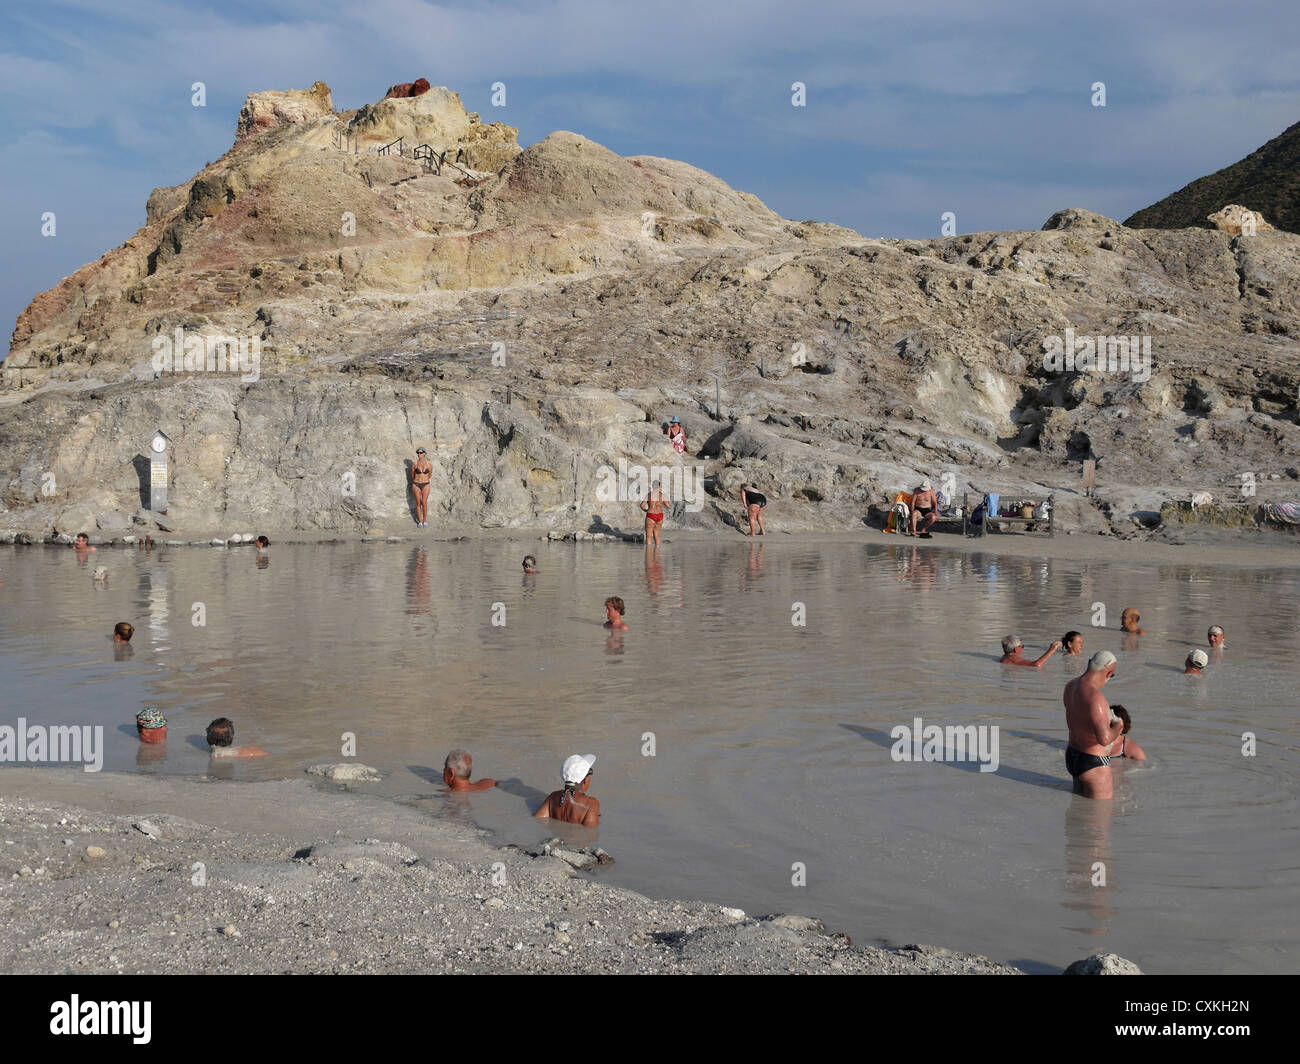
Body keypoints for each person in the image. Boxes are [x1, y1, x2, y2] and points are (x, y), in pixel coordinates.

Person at [1063, 650, 1125, 799]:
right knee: (1099, 817)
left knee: (1076, 814)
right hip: (1093, 761)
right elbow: (1104, 739)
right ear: (1109, 673)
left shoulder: (1070, 686)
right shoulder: (1095, 697)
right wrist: (1118, 726)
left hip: (1072, 755)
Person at [534, 754, 599, 826]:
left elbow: (537, 820)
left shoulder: (552, 797)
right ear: (585, 780)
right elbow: (591, 834)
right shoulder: (591, 804)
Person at [641, 482, 669, 547]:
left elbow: (642, 505)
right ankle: (657, 552)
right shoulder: (662, 495)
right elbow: (668, 505)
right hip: (660, 516)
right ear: (659, 486)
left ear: (652, 486)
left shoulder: (649, 495)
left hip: (651, 515)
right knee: (657, 536)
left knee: (649, 536)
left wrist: (646, 510)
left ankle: (648, 552)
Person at [411, 446, 433, 527]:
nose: (419, 454)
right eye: (418, 453)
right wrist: (417, 480)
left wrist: (424, 479)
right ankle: (420, 521)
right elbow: (412, 475)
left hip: (426, 484)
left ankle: (425, 520)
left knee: (424, 502)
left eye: (421, 453)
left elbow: (429, 474)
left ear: (424, 453)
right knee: (418, 503)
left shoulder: (429, 464)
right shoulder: (415, 464)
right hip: (416, 484)